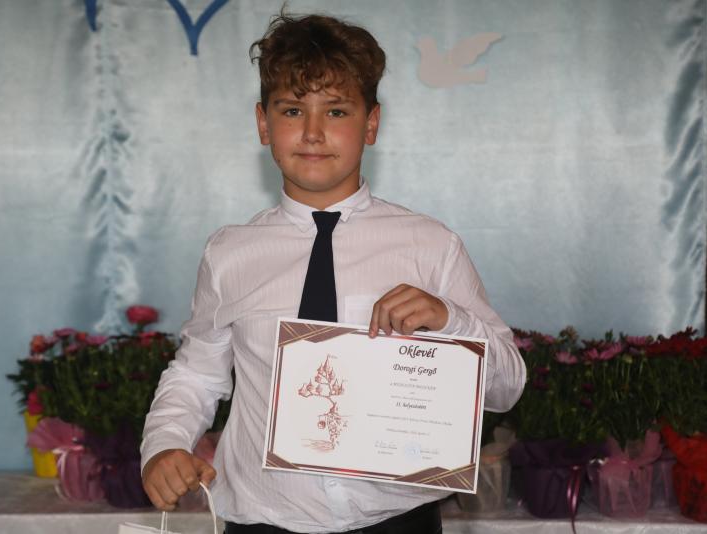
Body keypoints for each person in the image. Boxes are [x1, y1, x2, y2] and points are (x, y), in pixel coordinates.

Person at [141, 11, 526, 534]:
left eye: (337, 110)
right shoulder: (229, 253)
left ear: (371, 124)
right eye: (292, 110)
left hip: (398, 520)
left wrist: (449, 319)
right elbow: (197, 374)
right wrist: (164, 444)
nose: (313, 132)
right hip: (264, 522)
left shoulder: (430, 245)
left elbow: (506, 387)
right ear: (263, 124)